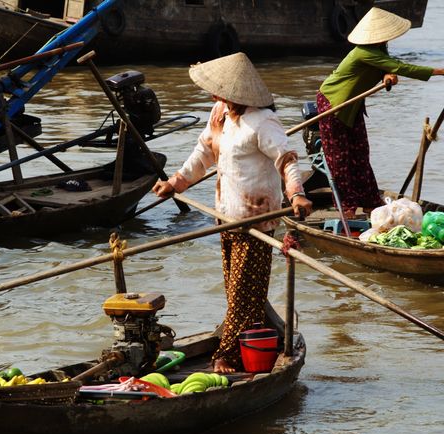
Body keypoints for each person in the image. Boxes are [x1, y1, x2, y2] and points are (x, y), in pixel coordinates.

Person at [152, 52, 312, 373]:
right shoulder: (220, 114)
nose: (215, 96)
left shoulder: (262, 122)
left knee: (242, 291)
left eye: (221, 92)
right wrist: (176, 183)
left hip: (256, 220)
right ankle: (253, 336)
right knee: (236, 289)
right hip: (226, 217)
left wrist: (296, 193)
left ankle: (227, 355)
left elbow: (286, 158)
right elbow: (203, 153)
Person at [317, 7, 444, 218]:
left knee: (360, 152)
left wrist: (387, 75)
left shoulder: (379, 50)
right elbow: (402, 67)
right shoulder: (363, 52)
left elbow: (389, 66)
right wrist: (440, 71)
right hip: (333, 104)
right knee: (340, 157)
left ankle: (369, 202)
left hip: (353, 106)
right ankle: (347, 207)